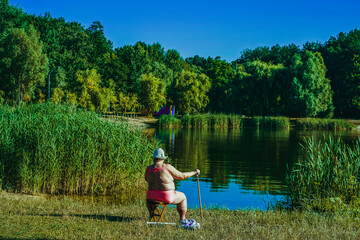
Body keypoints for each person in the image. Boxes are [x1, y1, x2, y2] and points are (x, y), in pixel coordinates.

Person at [145, 148, 200, 221]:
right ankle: (182, 219)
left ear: (154, 158)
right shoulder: (167, 167)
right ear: (163, 158)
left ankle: (151, 216)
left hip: (151, 196)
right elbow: (181, 176)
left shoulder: (148, 168)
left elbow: (146, 179)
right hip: (166, 197)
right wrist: (194, 172)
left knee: (151, 199)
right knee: (183, 197)